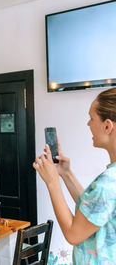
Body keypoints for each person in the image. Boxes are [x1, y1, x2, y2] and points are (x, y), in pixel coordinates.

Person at [33, 88, 116, 264]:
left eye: (91, 118)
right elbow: (93, 211)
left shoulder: (108, 184)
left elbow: (73, 234)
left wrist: (52, 182)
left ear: (107, 126)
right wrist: (66, 174)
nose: (88, 124)